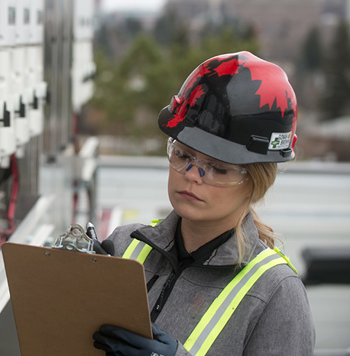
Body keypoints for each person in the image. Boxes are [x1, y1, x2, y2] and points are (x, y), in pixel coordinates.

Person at [92, 51, 315, 356]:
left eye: (218, 168)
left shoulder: (276, 293)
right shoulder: (124, 247)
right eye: (183, 155)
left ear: (257, 181)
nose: (192, 176)